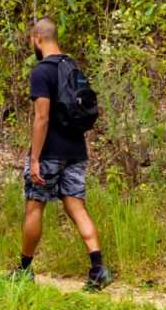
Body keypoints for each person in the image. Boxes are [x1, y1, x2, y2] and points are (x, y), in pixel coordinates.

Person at [12, 18, 113, 289]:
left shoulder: (41, 72)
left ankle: (23, 270)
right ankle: (98, 268)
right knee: (76, 206)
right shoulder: (73, 66)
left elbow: (41, 118)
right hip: (77, 150)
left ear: (37, 38)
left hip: (50, 152)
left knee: (34, 206)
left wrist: (35, 158)